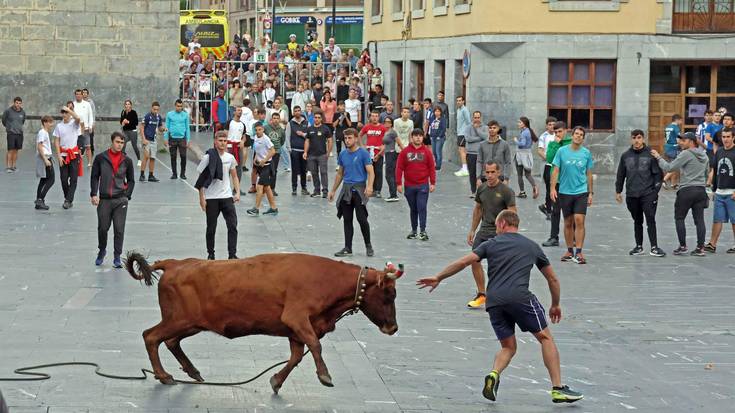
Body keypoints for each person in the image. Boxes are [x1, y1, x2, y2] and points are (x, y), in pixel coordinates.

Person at [416, 209, 584, 405]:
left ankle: (494, 374)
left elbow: (464, 262)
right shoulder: (531, 246)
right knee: (545, 338)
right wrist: (555, 304)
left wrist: (438, 277)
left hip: (494, 302)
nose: (496, 230)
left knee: (508, 346)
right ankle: (557, 388)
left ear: (503, 224)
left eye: (496, 226)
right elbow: (552, 278)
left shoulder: (491, 244)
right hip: (520, 297)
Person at [465, 161, 517, 309]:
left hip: (499, 233)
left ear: (499, 173)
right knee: (474, 260)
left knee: (497, 266)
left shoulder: (506, 191)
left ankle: (498, 294)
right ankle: (482, 294)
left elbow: (513, 214)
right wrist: (472, 230)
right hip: (484, 231)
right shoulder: (481, 189)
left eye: (492, 172)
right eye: (487, 172)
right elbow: (478, 210)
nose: (489, 175)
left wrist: (510, 235)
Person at [652, 132, 709, 256]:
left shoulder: (686, 153)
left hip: (687, 190)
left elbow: (669, 167)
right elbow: (706, 173)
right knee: (699, 220)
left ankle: (683, 246)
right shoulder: (704, 155)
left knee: (679, 218)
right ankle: (700, 248)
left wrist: (658, 157)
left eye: (684, 140)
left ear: (691, 142)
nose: (681, 142)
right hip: (700, 190)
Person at [615, 130, 666, 257]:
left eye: (639, 137)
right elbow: (621, 174)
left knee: (650, 219)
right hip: (632, 194)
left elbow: (658, 175)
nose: (636, 140)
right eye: (634, 138)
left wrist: (655, 192)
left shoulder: (651, 154)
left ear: (643, 138)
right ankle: (639, 246)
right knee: (637, 221)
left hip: (648, 194)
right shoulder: (625, 155)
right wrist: (618, 191)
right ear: (631, 139)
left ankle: (654, 247)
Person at [91, 131, 136, 268]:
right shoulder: (100, 158)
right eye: (117, 142)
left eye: (122, 143)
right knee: (103, 228)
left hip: (120, 200)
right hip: (104, 199)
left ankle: (117, 256)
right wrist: (94, 193)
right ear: (112, 141)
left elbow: (132, 180)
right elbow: (94, 177)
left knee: (119, 229)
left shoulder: (127, 160)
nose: (120, 145)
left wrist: (126, 195)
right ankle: (102, 251)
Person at [550, 126, 594, 264]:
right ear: (572, 135)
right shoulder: (562, 151)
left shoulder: (586, 153)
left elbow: (589, 173)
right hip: (564, 191)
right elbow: (555, 170)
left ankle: (579, 252)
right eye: (576, 134)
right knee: (568, 222)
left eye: (581, 134)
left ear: (583, 138)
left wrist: (590, 192)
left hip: (581, 192)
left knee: (579, 220)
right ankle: (569, 250)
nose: (578, 136)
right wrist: (552, 188)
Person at [328, 128, 375, 257]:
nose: (347, 141)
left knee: (362, 219)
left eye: (350, 138)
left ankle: (368, 245)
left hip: (359, 189)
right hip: (346, 189)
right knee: (347, 219)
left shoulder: (363, 154)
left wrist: (369, 186)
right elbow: (340, 174)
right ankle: (348, 247)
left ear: (355, 138)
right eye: (345, 138)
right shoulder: (343, 154)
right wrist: (333, 190)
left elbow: (371, 172)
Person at [195, 131, 240, 260]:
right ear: (215, 141)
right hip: (211, 198)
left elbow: (234, 176)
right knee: (211, 228)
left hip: (226, 197)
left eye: (225, 141)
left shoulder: (230, 158)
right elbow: (201, 178)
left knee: (232, 225)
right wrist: (201, 198)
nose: (223, 143)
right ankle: (211, 254)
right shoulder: (208, 157)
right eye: (220, 140)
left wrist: (237, 191)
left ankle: (232, 254)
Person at [396, 128, 436, 240]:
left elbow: (431, 168)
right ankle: (414, 230)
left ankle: (423, 231)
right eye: (416, 135)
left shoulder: (427, 152)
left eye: (420, 135)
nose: (418, 137)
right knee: (413, 208)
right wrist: (398, 183)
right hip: (409, 186)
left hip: (423, 185)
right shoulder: (405, 152)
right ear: (412, 137)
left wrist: (432, 182)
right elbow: (399, 168)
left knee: (422, 207)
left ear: (423, 137)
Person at [705, 127, 735, 254]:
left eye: (728, 137)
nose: (726, 139)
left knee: (734, 221)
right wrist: (712, 188)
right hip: (720, 192)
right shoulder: (719, 152)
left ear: (733, 137)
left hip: (732, 192)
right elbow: (715, 170)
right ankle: (712, 244)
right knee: (717, 219)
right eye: (724, 137)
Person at [542, 122, 571, 247]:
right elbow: (549, 158)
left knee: (570, 211)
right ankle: (554, 237)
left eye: (560, 131)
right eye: (555, 132)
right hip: (557, 182)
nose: (558, 134)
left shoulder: (571, 143)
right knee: (555, 211)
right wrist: (556, 144)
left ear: (565, 131)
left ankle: (573, 237)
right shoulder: (553, 144)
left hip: (569, 183)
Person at [53, 105, 82, 209]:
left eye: (66, 113)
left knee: (73, 179)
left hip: (74, 155)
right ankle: (67, 197)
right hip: (63, 155)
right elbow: (56, 141)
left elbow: (78, 118)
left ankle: (68, 200)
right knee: (63, 179)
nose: (65, 114)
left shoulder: (74, 124)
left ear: (70, 114)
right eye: (63, 113)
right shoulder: (59, 126)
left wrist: (69, 110)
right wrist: (59, 156)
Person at [246, 123, 278, 216]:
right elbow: (257, 149)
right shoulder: (256, 137)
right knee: (267, 188)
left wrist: (264, 160)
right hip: (259, 165)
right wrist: (256, 158)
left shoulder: (266, 139)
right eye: (256, 130)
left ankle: (256, 209)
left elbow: (273, 151)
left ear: (263, 129)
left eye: (260, 129)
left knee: (259, 187)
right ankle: (273, 208)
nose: (258, 131)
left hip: (267, 166)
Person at [303, 112, 333, 198]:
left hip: (322, 155)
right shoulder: (309, 129)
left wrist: (328, 152)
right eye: (315, 117)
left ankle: (325, 191)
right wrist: (305, 152)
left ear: (321, 119)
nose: (317, 119)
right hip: (311, 155)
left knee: (323, 173)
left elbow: (330, 140)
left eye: (318, 117)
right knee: (314, 173)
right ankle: (317, 190)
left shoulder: (325, 128)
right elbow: (307, 141)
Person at [360, 111, 388, 197]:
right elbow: (359, 135)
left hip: (378, 152)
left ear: (379, 117)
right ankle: (369, 188)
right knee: (368, 171)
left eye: (376, 116)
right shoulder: (367, 127)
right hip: (368, 153)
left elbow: (386, 140)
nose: (374, 118)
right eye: (373, 116)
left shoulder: (383, 128)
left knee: (378, 171)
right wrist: (362, 146)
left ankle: (377, 190)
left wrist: (381, 150)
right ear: (370, 117)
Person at [476, 120, 512, 185]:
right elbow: (479, 161)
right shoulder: (482, 144)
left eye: (494, 128)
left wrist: (506, 179)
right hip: (485, 177)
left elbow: (508, 162)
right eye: (490, 128)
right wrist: (478, 178)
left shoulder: (505, 144)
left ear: (498, 129)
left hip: (500, 177)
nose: (492, 129)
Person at [164, 99, 191, 180]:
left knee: (183, 156)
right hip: (172, 138)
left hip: (182, 138)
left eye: (180, 106)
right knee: (173, 156)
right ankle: (174, 173)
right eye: (178, 106)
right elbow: (166, 127)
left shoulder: (185, 115)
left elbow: (187, 128)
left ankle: (183, 173)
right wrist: (165, 138)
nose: (179, 108)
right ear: (175, 106)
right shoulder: (169, 114)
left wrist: (188, 139)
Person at [536, 117, 557, 219]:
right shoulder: (543, 136)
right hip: (548, 166)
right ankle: (549, 211)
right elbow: (540, 151)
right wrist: (549, 159)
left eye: (553, 124)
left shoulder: (558, 135)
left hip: (558, 166)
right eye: (549, 124)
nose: (552, 126)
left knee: (557, 188)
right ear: (546, 125)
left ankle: (547, 206)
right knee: (550, 188)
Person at [139, 101, 164, 182]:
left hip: (154, 140)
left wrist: (163, 129)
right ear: (151, 108)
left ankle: (151, 175)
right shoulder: (147, 116)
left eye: (157, 109)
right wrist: (143, 139)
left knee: (152, 158)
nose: (155, 111)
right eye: (154, 109)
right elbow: (142, 127)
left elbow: (160, 127)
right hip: (146, 139)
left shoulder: (158, 117)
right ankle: (142, 175)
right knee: (146, 156)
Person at [514, 117, 539, 199]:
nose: (518, 124)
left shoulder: (524, 132)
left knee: (519, 175)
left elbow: (522, 144)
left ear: (524, 123)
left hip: (521, 155)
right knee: (528, 174)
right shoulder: (529, 131)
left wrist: (516, 141)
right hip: (528, 154)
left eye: (520, 122)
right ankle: (534, 186)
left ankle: (522, 192)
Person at [34, 115, 55, 210]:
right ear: (45, 123)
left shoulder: (44, 132)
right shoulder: (42, 132)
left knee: (43, 180)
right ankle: (40, 199)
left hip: (46, 157)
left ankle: (39, 202)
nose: (52, 124)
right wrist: (46, 159)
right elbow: (40, 146)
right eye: (50, 122)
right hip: (44, 158)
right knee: (51, 180)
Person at [382, 117, 404, 202]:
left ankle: (393, 194)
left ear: (391, 123)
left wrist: (405, 152)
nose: (387, 123)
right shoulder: (386, 132)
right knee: (390, 175)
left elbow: (399, 142)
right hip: (388, 154)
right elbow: (384, 145)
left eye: (388, 122)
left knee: (389, 175)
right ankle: (393, 194)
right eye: (385, 122)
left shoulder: (392, 132)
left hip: (392, 154)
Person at [289, 106, 310, 195]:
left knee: (303, 170)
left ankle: (304, 188)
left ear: (301, 112)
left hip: (304, 150)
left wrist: (302, 134)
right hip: (294, 149)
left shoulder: (306, 123)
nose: (297, 112)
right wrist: (289, 149)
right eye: (295, 111)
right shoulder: (290, 123)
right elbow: (287, 136)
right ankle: (294, 188)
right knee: (294, 170)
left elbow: (309, 136)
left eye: (299, 110)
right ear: (293, 113)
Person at [465, 111, 487, 197]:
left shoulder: (485, 127)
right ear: (472, 118)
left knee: (483, 173)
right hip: (471, 154)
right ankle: (473, 191)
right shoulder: (468, 127)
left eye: (478, 117)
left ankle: (483, 192)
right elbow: (468, 139)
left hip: (482, 154)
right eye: (475, 117)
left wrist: (477, 130)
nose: (476, 119)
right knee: (472, 173)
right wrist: (479, 138)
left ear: (480, 118)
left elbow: (486, 138)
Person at [263, 112, 286, 193]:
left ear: (279, 120)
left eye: (277, 118)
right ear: (271, 119)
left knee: (274, 170)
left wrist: (277, 147)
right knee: (265, 169)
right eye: (274, 118)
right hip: (267, 152)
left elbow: (282, 141)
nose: (276, 120)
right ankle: (264, 187)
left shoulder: (282, 130)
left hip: (276, 152)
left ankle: (272, 188)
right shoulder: (266, 128)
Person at [2, 96, 26, 173]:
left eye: (19, 103)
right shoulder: (8, 111)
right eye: (16, 103)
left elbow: (22, 121)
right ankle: (8, 167)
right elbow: (3, 120)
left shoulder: (23, 112)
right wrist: (9, 128)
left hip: (19, 134)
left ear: (21, 104)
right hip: (11, 134)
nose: (18, 104)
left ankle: (13, 166)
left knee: (16, 150)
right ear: (14, 102)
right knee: (10, 150)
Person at [73, 89, 94, 167]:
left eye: (79, 94)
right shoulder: (73, 104)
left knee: (88, 146)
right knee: (76, 147)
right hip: (75, 129)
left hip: (85, 129)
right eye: (77, 94)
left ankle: (89, 163)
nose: (78, 95)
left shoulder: (87, 104)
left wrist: (90, 126)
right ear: (75, 95)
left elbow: (90, 115)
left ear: (82, 95)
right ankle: (77, 162)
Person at [663, 114, 683, 189]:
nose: (681, 122)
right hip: (674, 148)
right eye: (681, 120)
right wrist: (683, 145)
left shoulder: (667, 127)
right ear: (677, 120)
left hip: (667, 147)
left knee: (675, 166)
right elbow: (678, 140)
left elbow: (665, 139)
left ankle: (673, 184)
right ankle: (664, 179)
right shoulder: (676, 128)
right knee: (675, 166)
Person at [454, 96, 471, 177]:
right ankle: (464, 167)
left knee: (462, 150)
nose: (458, 102)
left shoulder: (465, 110)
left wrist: (467, 132)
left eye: (460, 100)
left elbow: (468, 122)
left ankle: (465, 169)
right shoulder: (458, 110)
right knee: (461, 150)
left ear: (463, 101)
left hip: (463, 133)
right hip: (459, 133)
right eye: (457, 101)